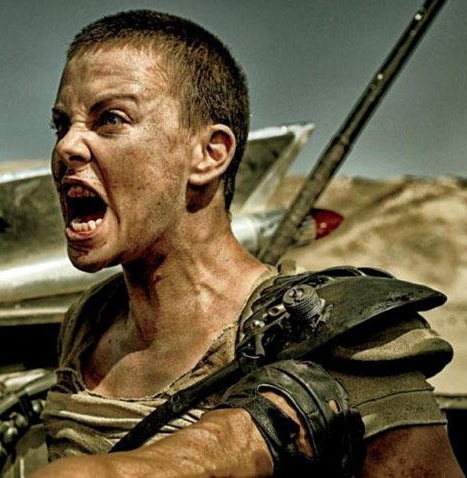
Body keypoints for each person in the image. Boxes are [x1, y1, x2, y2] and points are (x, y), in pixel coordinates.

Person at [29, 9, 463, 477]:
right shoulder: (90, 322)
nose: (66, 147)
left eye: (110, 119)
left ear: (208, 154)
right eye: (62, 125)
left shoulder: (337, 339)